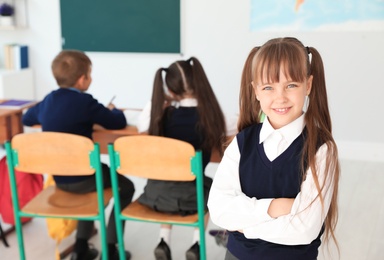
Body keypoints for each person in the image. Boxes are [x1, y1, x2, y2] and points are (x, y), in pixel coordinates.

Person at [207, 37, 340, 260]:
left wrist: (243, 226)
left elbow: (304, 229)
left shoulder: (322, 149)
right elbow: (219, 210)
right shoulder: (242, 143)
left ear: (308, 85)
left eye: (291, 85)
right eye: (268, 87)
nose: (280, 97)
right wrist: (274, 208)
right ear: (256, 91)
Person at [22, 50, 135, 260]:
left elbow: (27, 119)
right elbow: (117, 121)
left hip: (60, 178)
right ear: (82, 79)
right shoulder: (86, 103)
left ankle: (80, 249)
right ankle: (110, 250)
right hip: (86, 178)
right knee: (126, 186)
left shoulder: (49, 100)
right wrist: (113, 109)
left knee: (91, 183)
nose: (90, 79)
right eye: (90, 75)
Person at [136, 57, 227, 260]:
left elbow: (142, 129)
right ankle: (196, 244)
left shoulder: (163, 116)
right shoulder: (209, 117)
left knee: (170, 182)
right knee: (209, 185)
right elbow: (229, 130)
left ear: (170, 89)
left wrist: (160, 102)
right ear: (198, 82)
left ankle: (163, 240)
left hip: (156, 195)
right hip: (192, 197)